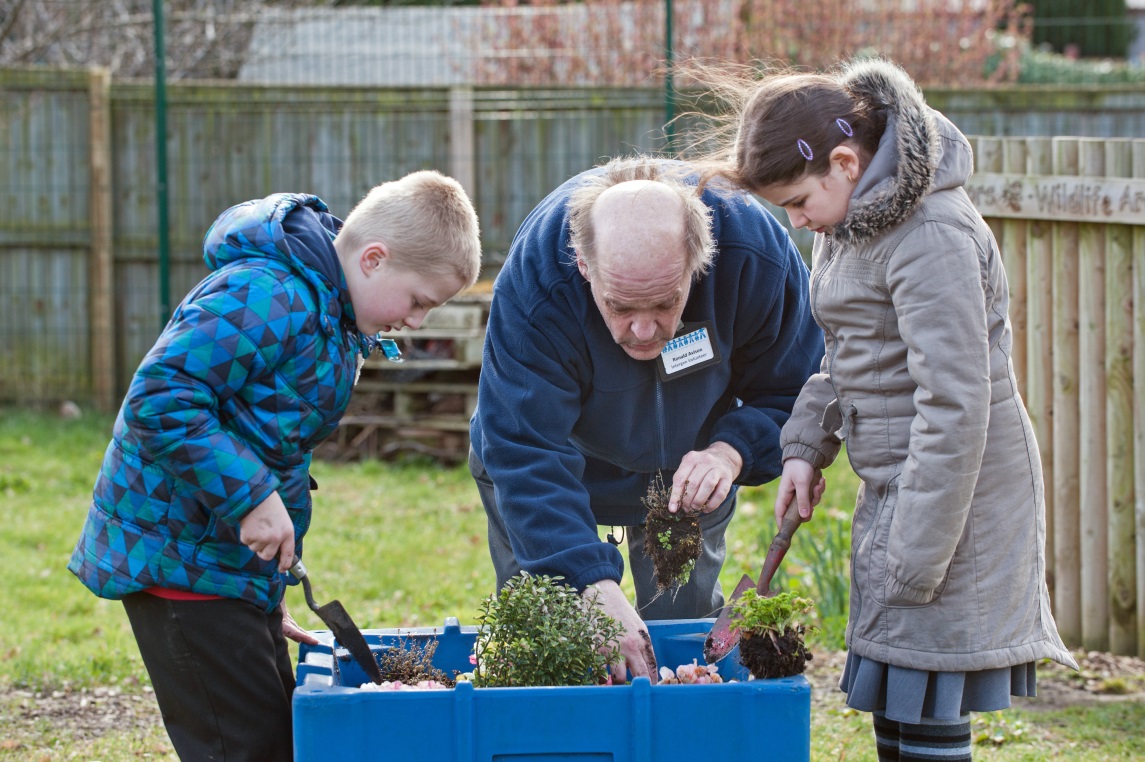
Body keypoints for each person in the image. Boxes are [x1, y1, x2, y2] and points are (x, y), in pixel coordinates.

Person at [700, 57, 1077, 760]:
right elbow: (847, 353)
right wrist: (804, 447)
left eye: (797, 201)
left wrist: (915, 553)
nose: (795, 220)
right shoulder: (851, 227)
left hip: (953, 502)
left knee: (927, 690)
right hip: (899, 488)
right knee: (897, 694)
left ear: (846, 163)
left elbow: (955, 405)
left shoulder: (930, 236)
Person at [68, 171, 482, 761]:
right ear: (373, 259)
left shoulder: (332, 316)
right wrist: (253, 499)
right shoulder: (268, 295)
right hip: (181, 557)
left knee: (278, 739)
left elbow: (272, 440)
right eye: (418, 301)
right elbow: (159, 399)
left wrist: (267, 582)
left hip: (226, 562)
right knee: (245, 746)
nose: (416, 322)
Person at [468, 155, 825, 684]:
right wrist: (588, 582)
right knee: (551, 646)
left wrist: (731, 452)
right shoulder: (538, 278)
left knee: (680, 650)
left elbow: (798, 387)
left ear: (699, 263)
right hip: (555, 474)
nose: (642, 331)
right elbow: (523, 444)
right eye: (619, 306)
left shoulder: (753, 257)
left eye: (664, 304)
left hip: (688, 478)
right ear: (583, 266)